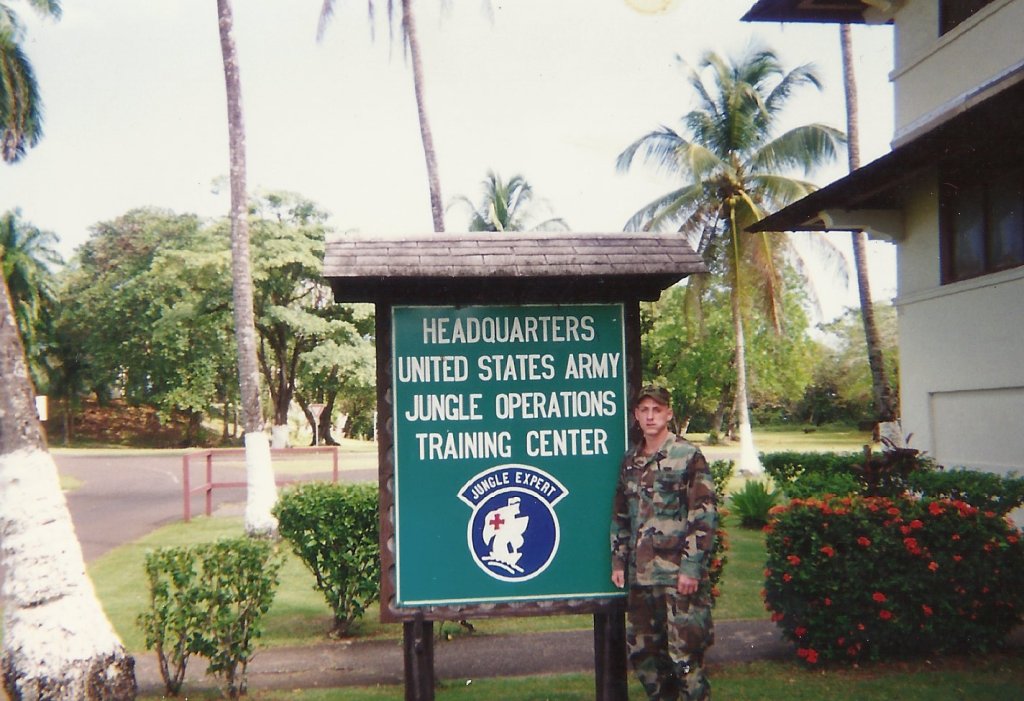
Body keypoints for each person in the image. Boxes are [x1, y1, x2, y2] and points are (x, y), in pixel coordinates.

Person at [610, 385, 718, 701]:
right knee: (645, 659)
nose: (650, 416)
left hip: (677, 579)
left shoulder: (688, 456)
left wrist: (691, 568)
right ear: (636, 416)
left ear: (668, 414)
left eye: (657, 409)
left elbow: (703, 516)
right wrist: (619, 560)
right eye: (644, 410)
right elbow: (621, 516)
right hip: (642, 578)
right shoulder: (630, 461)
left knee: (685, 659)